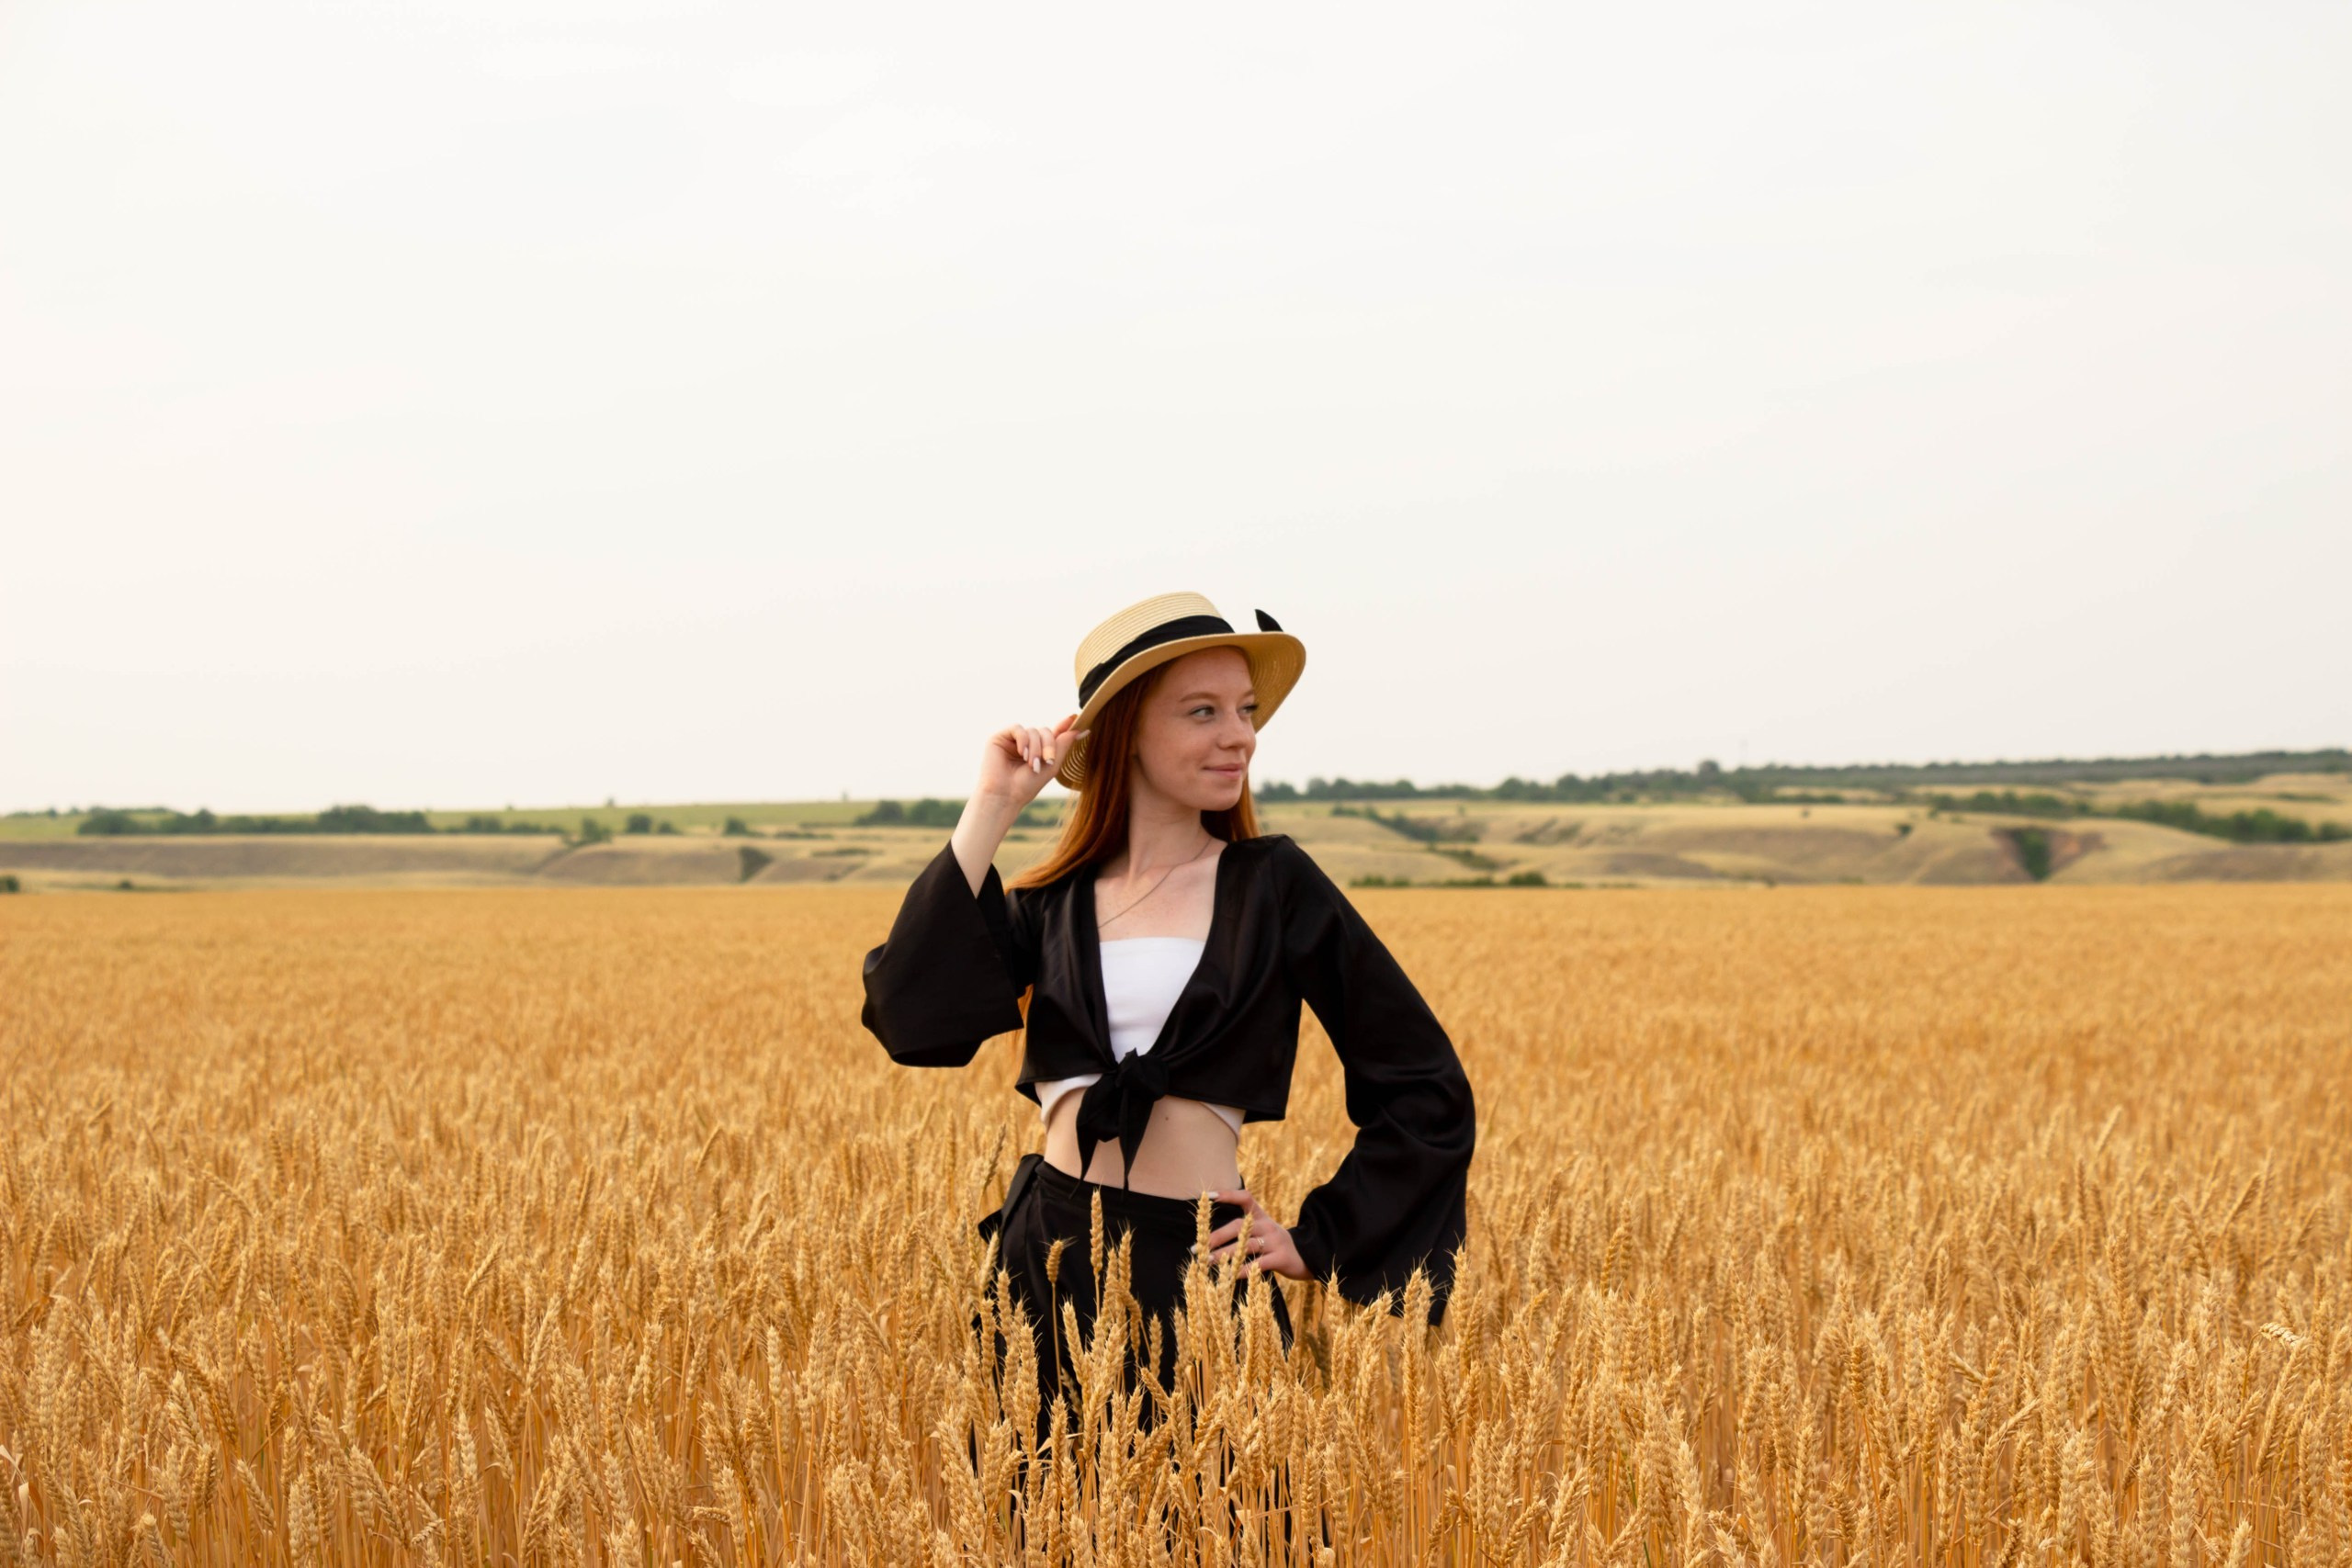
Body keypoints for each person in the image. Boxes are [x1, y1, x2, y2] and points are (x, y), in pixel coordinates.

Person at [858, 591, 1476, 1440]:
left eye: (1246, 712)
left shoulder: (1274, 886)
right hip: (1046, 1264)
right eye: (1203, 711)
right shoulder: (1049, 902)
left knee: (1235, 1525)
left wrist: (1319, 1238)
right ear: (1126, 730)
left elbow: (1422, 1081)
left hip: (1200, 1271)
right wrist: (993, 808)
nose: (1240, 736)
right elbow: (910, 1018)